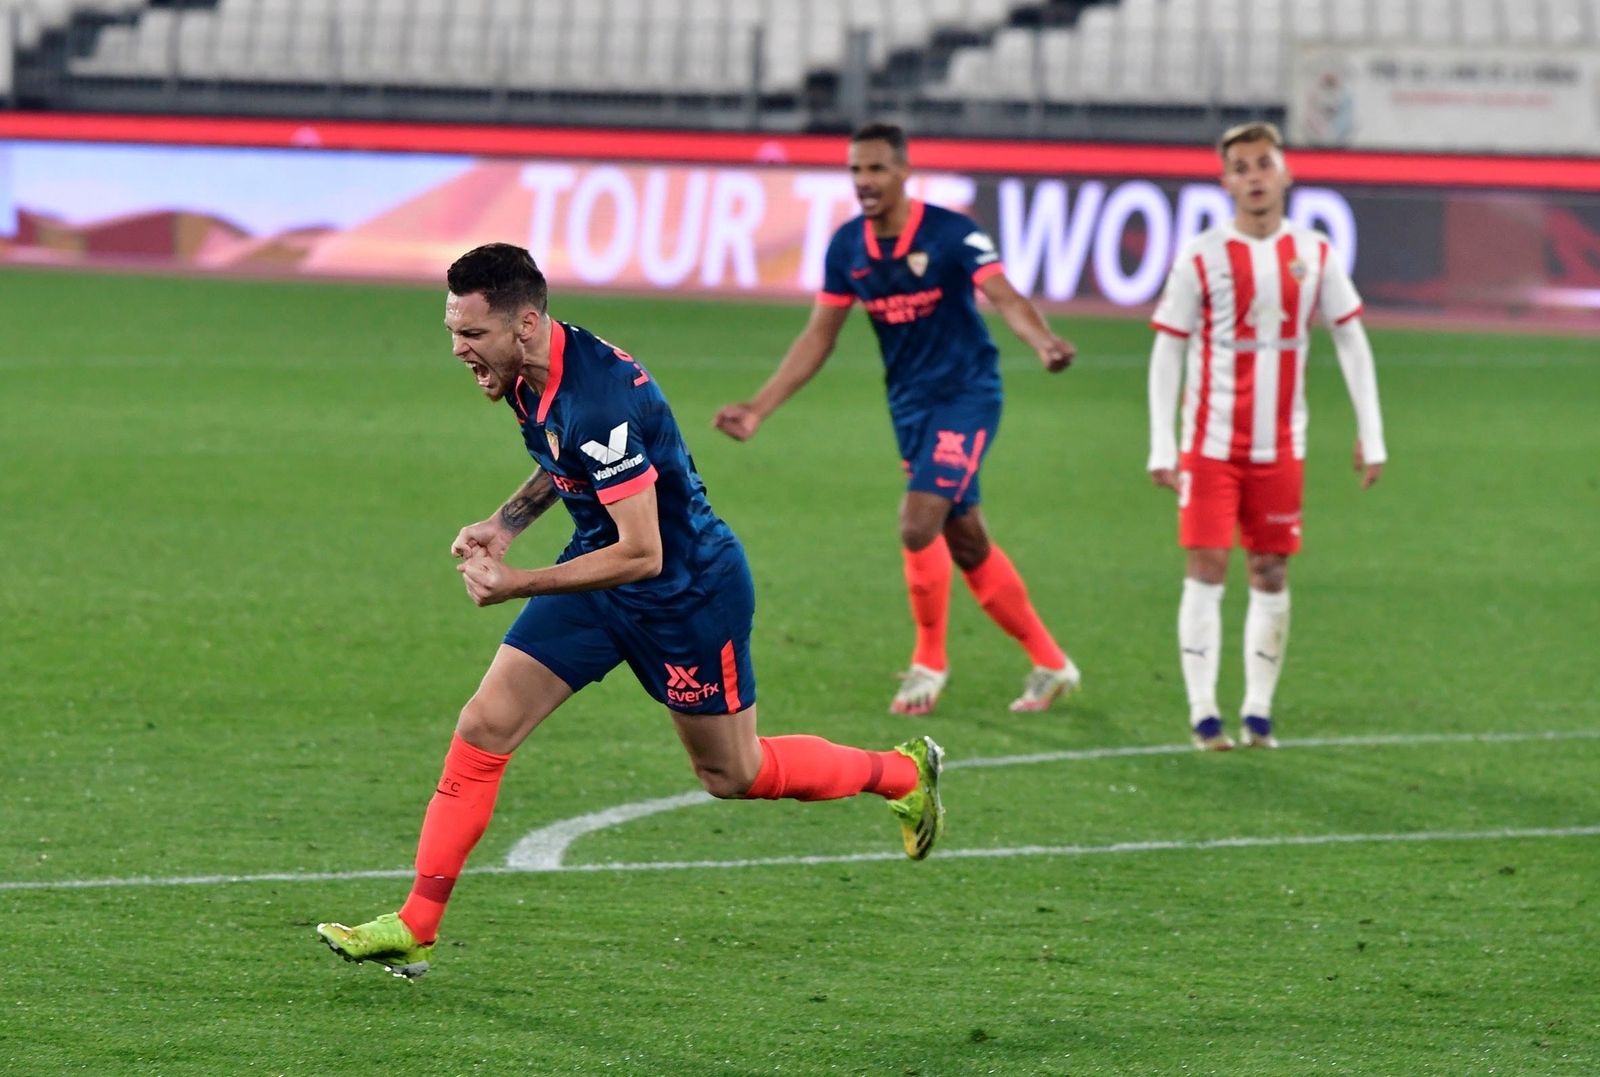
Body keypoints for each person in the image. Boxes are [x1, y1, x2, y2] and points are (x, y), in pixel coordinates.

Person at [316, 243, 944, 979]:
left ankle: (900, 773)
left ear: (523, 324)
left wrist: (518, 581)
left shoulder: (599, 399)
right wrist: (505, 522)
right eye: (452, 331)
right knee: (485, 723)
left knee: (731, 773)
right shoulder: (529, 370)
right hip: (600, 574)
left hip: (686, 594)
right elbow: (566, 463)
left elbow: (643, 550)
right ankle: (415, 924)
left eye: (471, 335)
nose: (459, 350)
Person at [714, 122, 1081, 718]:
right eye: (856, 169)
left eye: (877, 168)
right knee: (964, 537)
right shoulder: (847, 248)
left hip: (967, 395)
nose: (865, 181)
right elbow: (819, 336)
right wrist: (759, 408)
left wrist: (1042, 342)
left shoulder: (952, 233)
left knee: (917, 522)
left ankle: (929, 662)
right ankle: (1051, 662)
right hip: (910, 404)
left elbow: (1005, 294)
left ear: (904, 172)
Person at [1146, 121, 1386, 751]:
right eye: (1241, 168)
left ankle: (1256, 712)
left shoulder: (1315, 254)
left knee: (1271, 569)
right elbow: (1167, 349)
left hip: (1282, 445)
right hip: (1211, 443)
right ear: (1225, 182)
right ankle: (1203, 714)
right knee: (1206, 565)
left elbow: (1351, 338)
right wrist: (1161, 443)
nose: (1253, 177)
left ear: (1285, 174)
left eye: (1263, 165)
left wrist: (1372, 432)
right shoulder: (1200, 256)